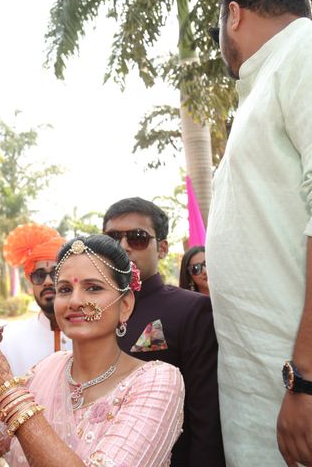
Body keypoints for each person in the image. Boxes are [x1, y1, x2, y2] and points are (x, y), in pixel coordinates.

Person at [206, 0, 312, 465]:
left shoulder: (311, 45)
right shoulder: (273, 75)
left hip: (309, 398)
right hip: (278, 397)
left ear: (233, 15)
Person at [0, 235, 185, 466]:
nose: (75, 301)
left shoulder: (157, 381)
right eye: (65, 289)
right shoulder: (47, 369)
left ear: (126, 305)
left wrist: (6, 389)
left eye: (93, 288)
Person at [102, 197, 225, 466]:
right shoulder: (95, 311)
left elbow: (206, 417)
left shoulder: (192, 310)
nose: (123, 247)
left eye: (137, 237)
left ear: (162, 248)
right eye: (112, 238)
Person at [0, 223, 71, 375]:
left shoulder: (91, 336)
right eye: (39, 275)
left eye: (55, 273)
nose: (47, 282)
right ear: (31, 281)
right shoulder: (10, 340)